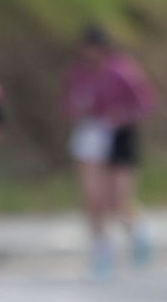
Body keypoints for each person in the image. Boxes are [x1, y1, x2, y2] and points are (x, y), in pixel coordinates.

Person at [63, 25, 155, 278]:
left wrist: (120, 116)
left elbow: (144, 102)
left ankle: (137, 230)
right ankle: (100, 249)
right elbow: (69, 103)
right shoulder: (79, 74)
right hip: (91, 135)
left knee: (119, 200)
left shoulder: (121, 71)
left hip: (119, 137)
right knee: (93, 197)